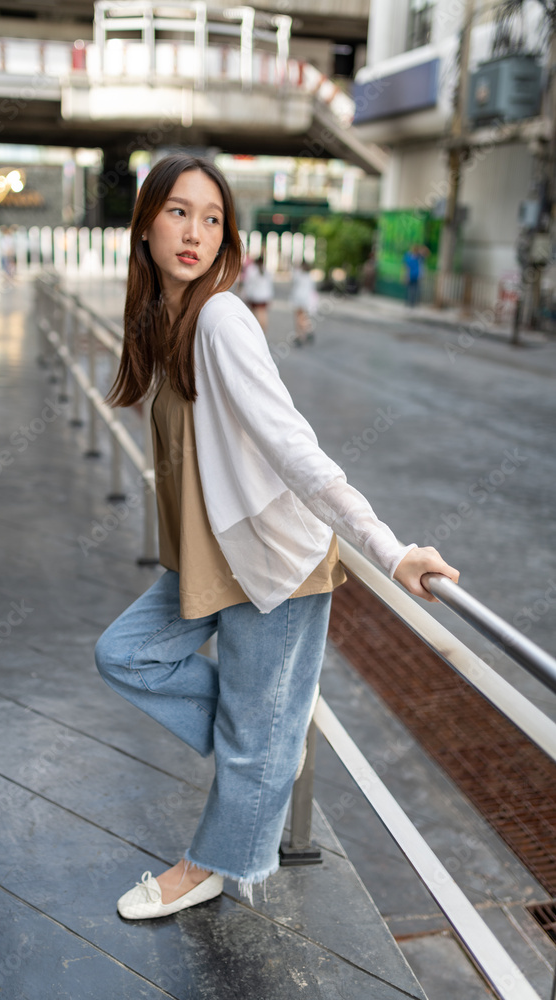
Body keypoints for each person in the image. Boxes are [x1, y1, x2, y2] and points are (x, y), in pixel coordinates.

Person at [94, 154, 459, 921]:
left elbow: (297, 448)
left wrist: (390, 551)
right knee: (127, 655)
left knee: (252, 733)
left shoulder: (221, 318)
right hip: (211, 557)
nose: (194, 232)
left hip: (273, 567)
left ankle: (209, 863)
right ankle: (264, 748)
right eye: (177, 212)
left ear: (226, 235)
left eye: (212, 218)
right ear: (145, 225)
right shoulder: (160, 322)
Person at [241, 252, 273, 335]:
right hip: (264, 296)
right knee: (263, 315)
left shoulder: (251, 269)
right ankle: (263, 333)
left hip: (254, 296)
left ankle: (256, 333)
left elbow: (247, 283)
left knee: (254, 316)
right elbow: (269, 284)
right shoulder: (265, 270)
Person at [290, 260, 318, 345]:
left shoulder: (298, 275)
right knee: (304, 318)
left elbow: (293, 281)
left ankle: (300, 335)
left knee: (299, 319)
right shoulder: (309, 277)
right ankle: (307, 331)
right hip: (306, 300)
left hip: (298, 299)